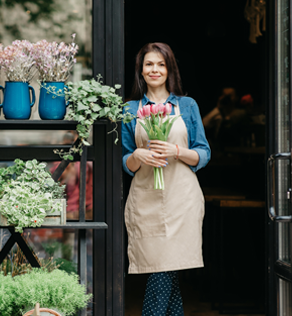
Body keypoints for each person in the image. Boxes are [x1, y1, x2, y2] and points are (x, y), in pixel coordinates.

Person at [121, 42, 211, 316]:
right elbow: (125, 161)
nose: (155, 69)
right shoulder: (130, 109)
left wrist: (176, 151)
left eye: (161, 64)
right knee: (162, 269)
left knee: (165, 268)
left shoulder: (186, 105)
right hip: (146, 199)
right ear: (141, 70)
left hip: (182, 199)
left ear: (169, 69)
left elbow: (203, 153)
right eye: (149, 64)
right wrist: (139, 155)